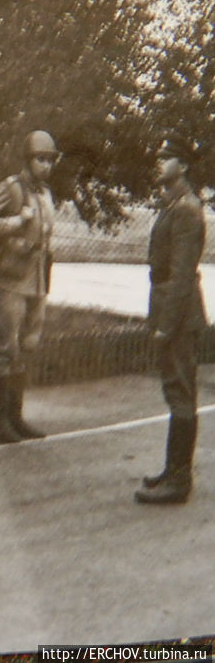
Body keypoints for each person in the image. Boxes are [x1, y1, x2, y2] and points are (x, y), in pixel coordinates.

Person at [135, 136, 207, 505]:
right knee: (175, 390)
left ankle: (179, 480)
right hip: (172, 307)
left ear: (184, 166)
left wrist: (165, 323)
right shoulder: (174, 204)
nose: (158, 162)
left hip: (178, 314)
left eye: (167, 158)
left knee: (180, 394)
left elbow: (180, 275)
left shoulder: (186, 210)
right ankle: (173, 470)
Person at [0, 130, 58, 444]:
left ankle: (15, 417)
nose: (46, 165)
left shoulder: (45, 193)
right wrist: (12, 232)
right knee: (4, 347)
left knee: (27, 346)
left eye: (50, 160)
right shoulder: (12, 189)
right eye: (41, 159)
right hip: (12, 279)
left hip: (38, 279)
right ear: (28, 159)